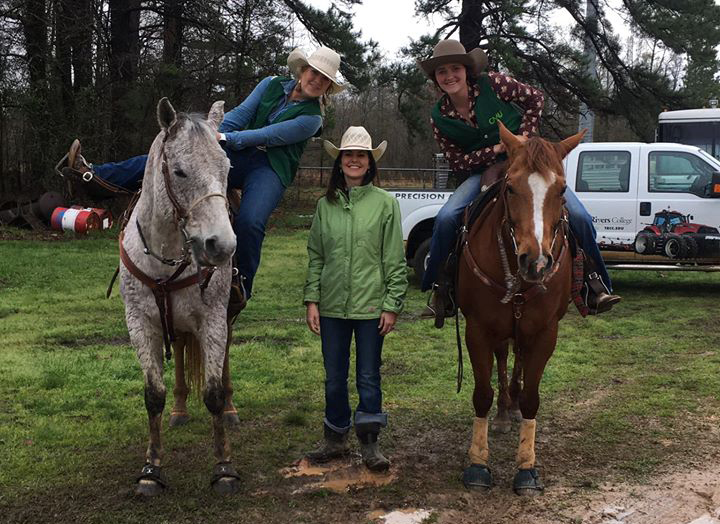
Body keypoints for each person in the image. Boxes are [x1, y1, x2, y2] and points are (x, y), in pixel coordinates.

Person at [59, 46, 345, 317]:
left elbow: (269, 136)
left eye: (324, 79)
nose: (316, 80)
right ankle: (95, 176)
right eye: (314, 72)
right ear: (303, 70)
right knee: (167, 163)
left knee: (252, 220)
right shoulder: (270, 83)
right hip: (236, 150)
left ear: (328, 88)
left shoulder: (312, 119)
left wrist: (226, 138)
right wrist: (211, 132)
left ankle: (240, 282)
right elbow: (242, 114)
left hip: (270, 168)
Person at [416, 39, 621, 320]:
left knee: (580, 217)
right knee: (447, 217)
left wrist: (522, 139)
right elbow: (457, 161)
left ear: (466, 70)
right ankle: (440, 289)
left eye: (455, 68)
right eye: (441, 72)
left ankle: (596, 285)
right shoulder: (438, 117)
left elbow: (535, 98)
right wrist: (498, 149)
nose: (449, 76)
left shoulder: (494, 84)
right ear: (436, 79)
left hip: (528, 166)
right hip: (482, 172)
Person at [303, 126, 407, 472]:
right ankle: (334, 438)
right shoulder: (325, 205)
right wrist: (312, 301)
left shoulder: (386, 204)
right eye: (348, 155)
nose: (354, 160)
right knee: (333, 376)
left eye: (360, 155)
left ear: (369, 162)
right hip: (331, 306)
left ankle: (369, 442)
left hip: (370, 307)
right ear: (340, 161)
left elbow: (394, 258)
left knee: (367, 375)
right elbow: (316, 256)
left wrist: (392, 304)